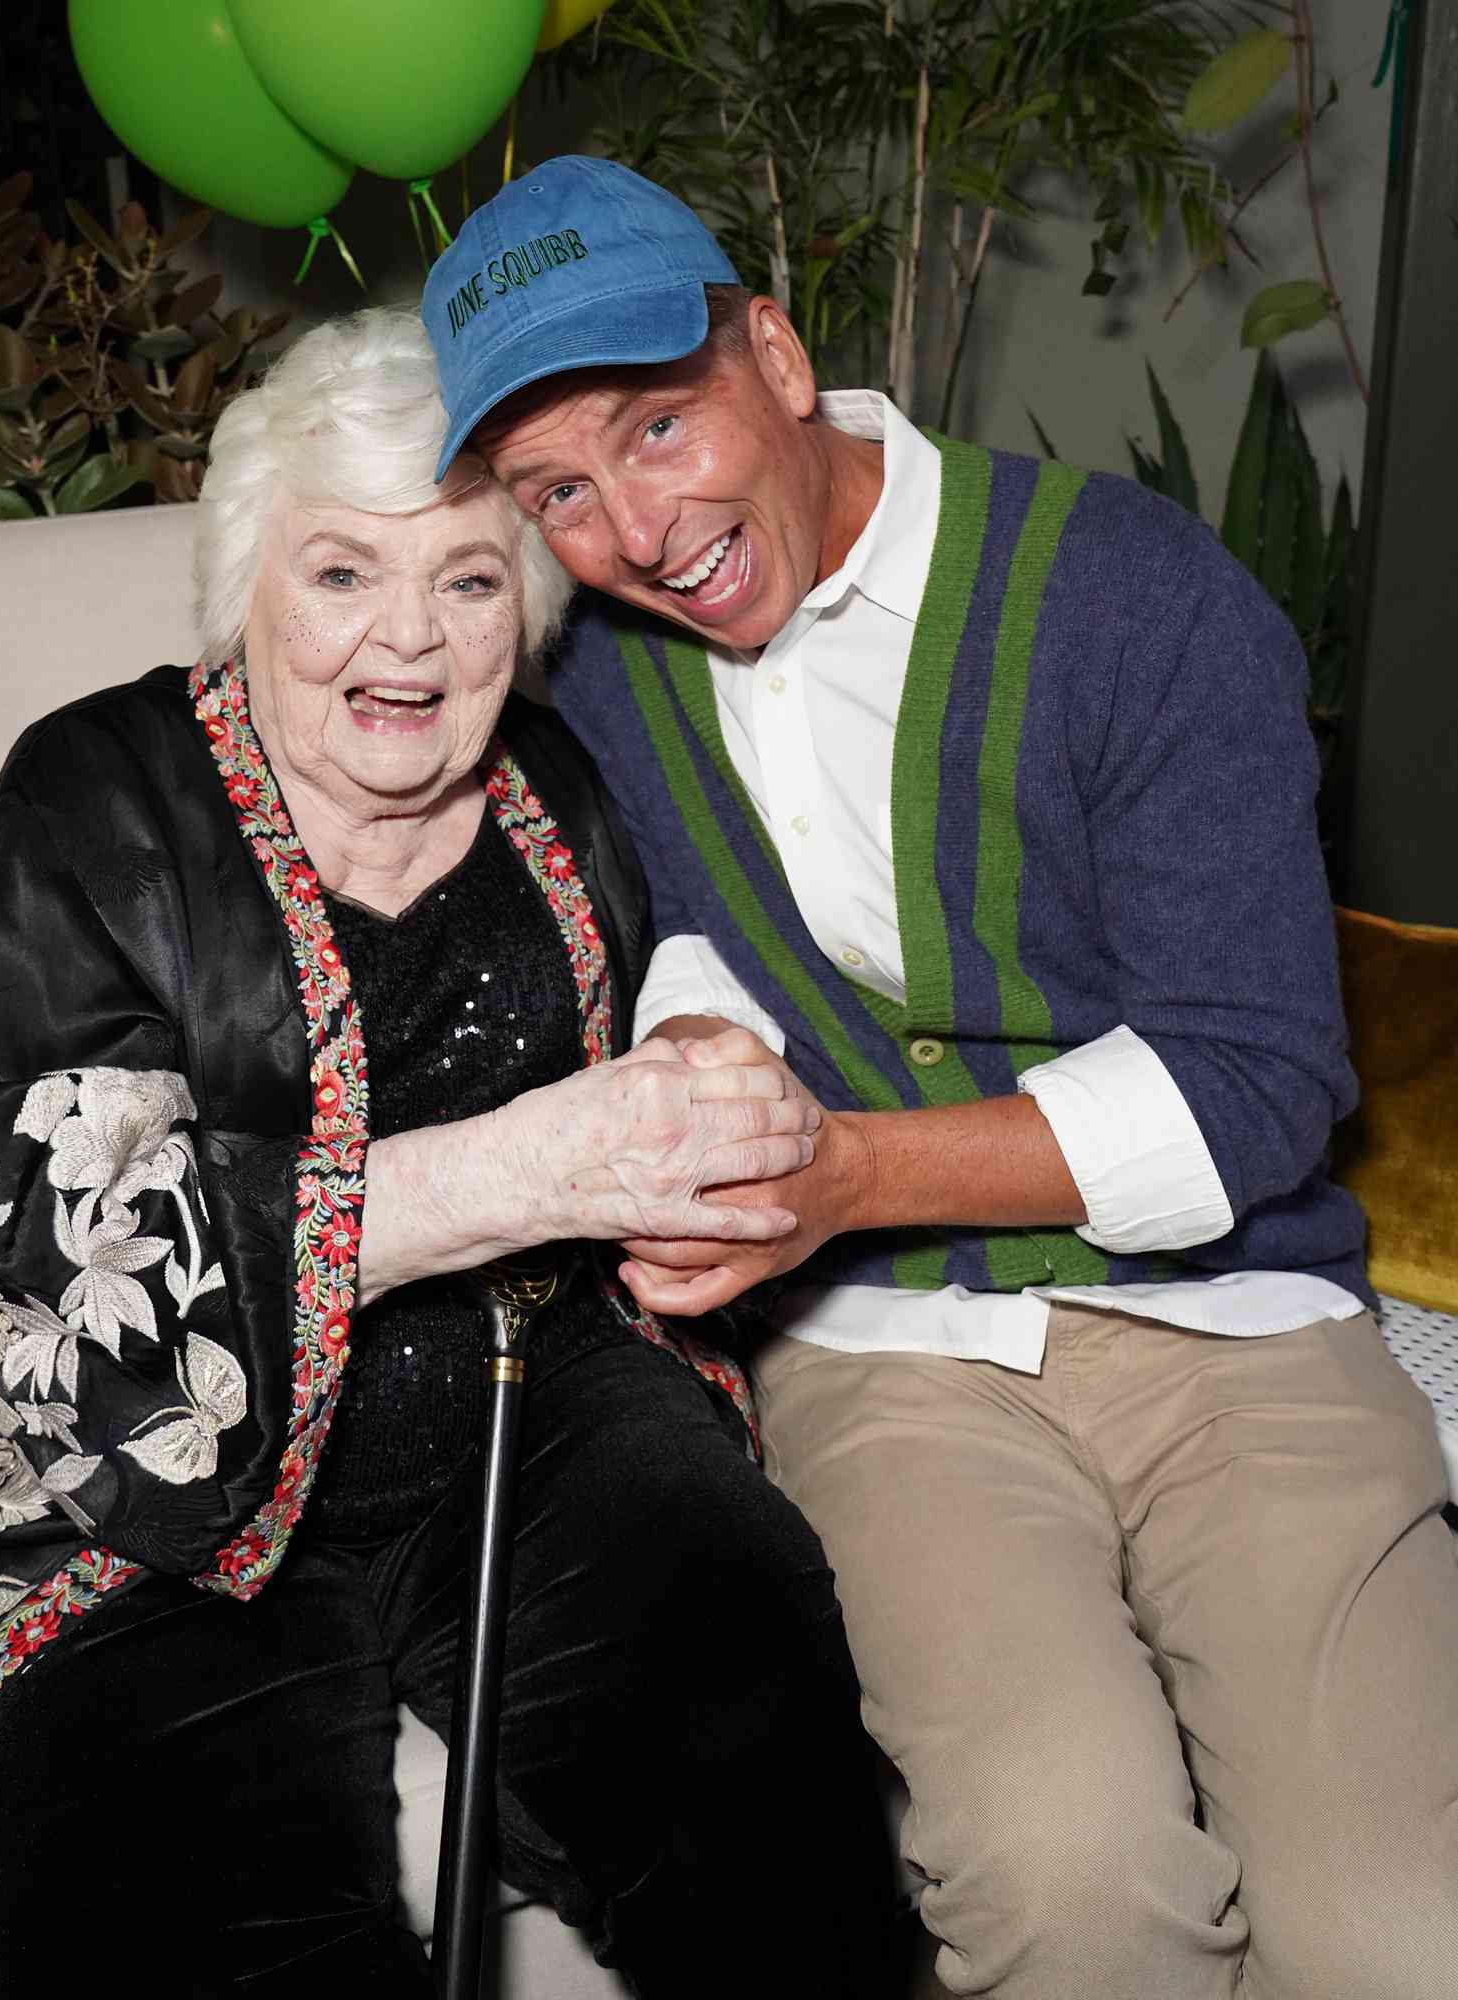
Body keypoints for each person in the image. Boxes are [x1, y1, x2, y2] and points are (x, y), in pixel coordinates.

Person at [420, 157, 1458, 2000]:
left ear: (777, 351)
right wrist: (688, 1063)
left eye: (660, 428)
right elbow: (642, 929)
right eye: (556, 493)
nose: (637, 531)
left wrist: (839, 1173)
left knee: (1401, 1930)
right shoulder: (587, 692)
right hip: (887, 1366)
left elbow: (1252, 1083)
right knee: (1072, 1887)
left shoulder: (1140, 603)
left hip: (1242, 1325)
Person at [0, 310, 901, 1996]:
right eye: (338, 574)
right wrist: (521, 1169)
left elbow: (668, 1019)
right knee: (168, 1927)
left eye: (467, 579)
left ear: (524, 610)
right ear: (245, 587)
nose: (406, 638)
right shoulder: (95, 792)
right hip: (123, 1504)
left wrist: (699, 1091)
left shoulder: (557, 783)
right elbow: (37, 1252)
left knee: (768, 1821)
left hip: (530, 1405)